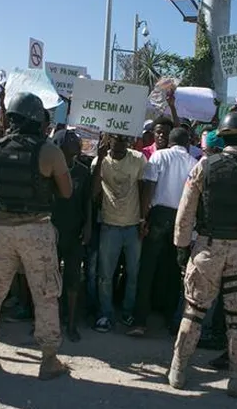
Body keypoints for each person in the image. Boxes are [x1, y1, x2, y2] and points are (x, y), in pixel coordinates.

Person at [168, 112, 237, 398]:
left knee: (193, 312)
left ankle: (178, 372)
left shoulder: (205, 165)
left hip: (207, 248)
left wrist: (182, 248)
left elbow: (186, 210)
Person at [0, 92, 73, 379]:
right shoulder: (49, 150)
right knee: (45, 294)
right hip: (36, 229)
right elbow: (66, 192)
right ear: (37, 119)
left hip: (2, 229)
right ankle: (49, 360)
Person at [128, 127, 198, 337]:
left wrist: (142, 218)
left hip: (158, 215)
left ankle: (140, 320)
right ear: (187, 144)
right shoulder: (194, 163)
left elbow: (149, 187)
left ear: (170, 141)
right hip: (182, 217)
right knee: (173, 269)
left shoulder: (159, 155)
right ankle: (171, 319)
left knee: (148, 267)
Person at [92, 133, 146, 332]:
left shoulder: (138, 159)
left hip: (132, 226)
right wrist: (98, 160)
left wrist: (143, 219)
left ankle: (127, 312)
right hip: (109, 225)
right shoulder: (101, 161)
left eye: (124, 139)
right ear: (109, 139)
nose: (120, 142)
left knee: (133, 274)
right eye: (116, 138)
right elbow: (94, 193)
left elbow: (143, 189)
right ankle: (105, 314)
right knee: (105, 274)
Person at [50, 129, 92, 342]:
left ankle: (72, 323)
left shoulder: (83, 172)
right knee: (51, 279)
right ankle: (52, 321)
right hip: (53, 232)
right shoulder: (49, 171)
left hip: (75, 232)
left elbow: (87, 202)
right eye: (72, 140)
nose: (77, 142)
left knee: (73, 279)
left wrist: (88, 226)